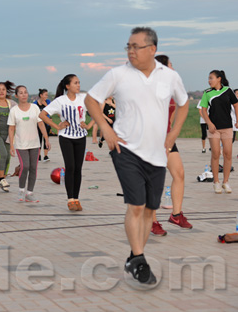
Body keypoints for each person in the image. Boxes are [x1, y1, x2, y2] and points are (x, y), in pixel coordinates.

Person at [85, 27, 189, 285]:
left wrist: (174, 132)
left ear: (152, 49)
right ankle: (141, 260)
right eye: (128, 46)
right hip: (126, 149)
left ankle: (134, 258)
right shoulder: (118, 74)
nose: (131, 51)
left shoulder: (170, 76)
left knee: (149, 209)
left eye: (136, 46)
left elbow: (184, 103)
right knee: (137, 205)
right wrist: (106, 129)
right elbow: (91, 99)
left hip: (157, 153)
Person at [150, 54, 192, 236]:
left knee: (179, 174)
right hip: (152, 139)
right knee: (154, 181)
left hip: (167, 139)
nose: (173, 68)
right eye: (171, 65)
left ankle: (176, 215)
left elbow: (175, 111)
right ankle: (152, 222)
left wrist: (172, 132)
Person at [39, 74, 92, 211]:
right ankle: (70, 199)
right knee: (70, 167)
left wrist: (88, 125)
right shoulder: (60, 101)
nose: (78, 85)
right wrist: (57, 127)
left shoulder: (84, 98)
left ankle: (77, 199)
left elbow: (96, 110)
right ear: (67, 86)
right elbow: (42, 115)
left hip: (81, 137)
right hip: (66, 137)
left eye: (79, 82)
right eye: (75, 83)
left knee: (78, 169)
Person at [9, 85, 50, 202]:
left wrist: (46, 138)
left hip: (35, 144)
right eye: (21, 93)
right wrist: (12, 145)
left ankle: (29, 193)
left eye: (25, 92)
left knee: (33, 168)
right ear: (16, 96)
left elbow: (41, 124)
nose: (23, 95)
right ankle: (21, 190)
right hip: (21, 144)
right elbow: (11, 128)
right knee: (25, 166)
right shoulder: (14, 111)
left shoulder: (35, 108)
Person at [200, 70, 238, 194]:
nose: (209, 80)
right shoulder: (207, 93)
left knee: (228, 154)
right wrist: (209, 124)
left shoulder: (228, 91)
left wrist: (237, 120)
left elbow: (236, 105)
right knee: (215, 154)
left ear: (219, 79)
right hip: (213, 129)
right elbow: (203, 110)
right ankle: (216, 182)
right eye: (208, 78)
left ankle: (225, 182)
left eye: (211, 78)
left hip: (227, 127)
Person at [33, 89, 52, 162]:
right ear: (41, 95)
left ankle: (46, 155)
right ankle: (39, 156)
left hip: (46, 123)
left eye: (47, 95)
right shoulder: (35, 104)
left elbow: (50, 111)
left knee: (46, 139)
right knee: (39, 140)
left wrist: (45, 105)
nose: (46, 96)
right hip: (38, 124)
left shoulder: (48, 102)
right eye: (45, 95)